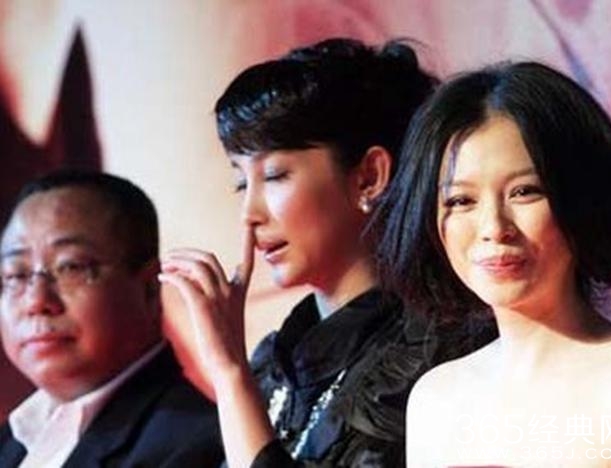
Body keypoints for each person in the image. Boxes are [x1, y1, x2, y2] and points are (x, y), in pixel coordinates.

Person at [159, 38, 497, 467]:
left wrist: (228, 373)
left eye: (274, 176)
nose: (249, 213)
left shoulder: (438, 356)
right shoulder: (273, 365)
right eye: (241, 182)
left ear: (369, 177)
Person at [377, 61, 611, 467]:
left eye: (524, 192)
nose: (494, 228)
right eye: (461, 200)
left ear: (582, 199)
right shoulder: (437, 399)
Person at [0, 171, 223, 467]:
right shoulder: (12, 442)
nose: (36, 301)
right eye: (16, 275)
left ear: (150, 289)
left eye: (71, 267)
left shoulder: (198, 447)